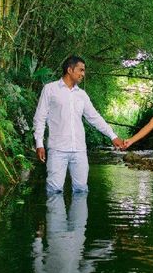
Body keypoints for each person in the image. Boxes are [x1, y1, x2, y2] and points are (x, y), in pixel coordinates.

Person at [33, 55, 124, 194]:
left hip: (79, 151)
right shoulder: (50, 89)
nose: (83, 74)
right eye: (81, 70)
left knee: (81, 190)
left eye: (84, 70)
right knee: (54, 191)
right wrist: (39, 143)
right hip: (57, 149)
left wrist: (113, 136)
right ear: (70, 69)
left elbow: (94, 117)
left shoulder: (82, 95)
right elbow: (40, 117)